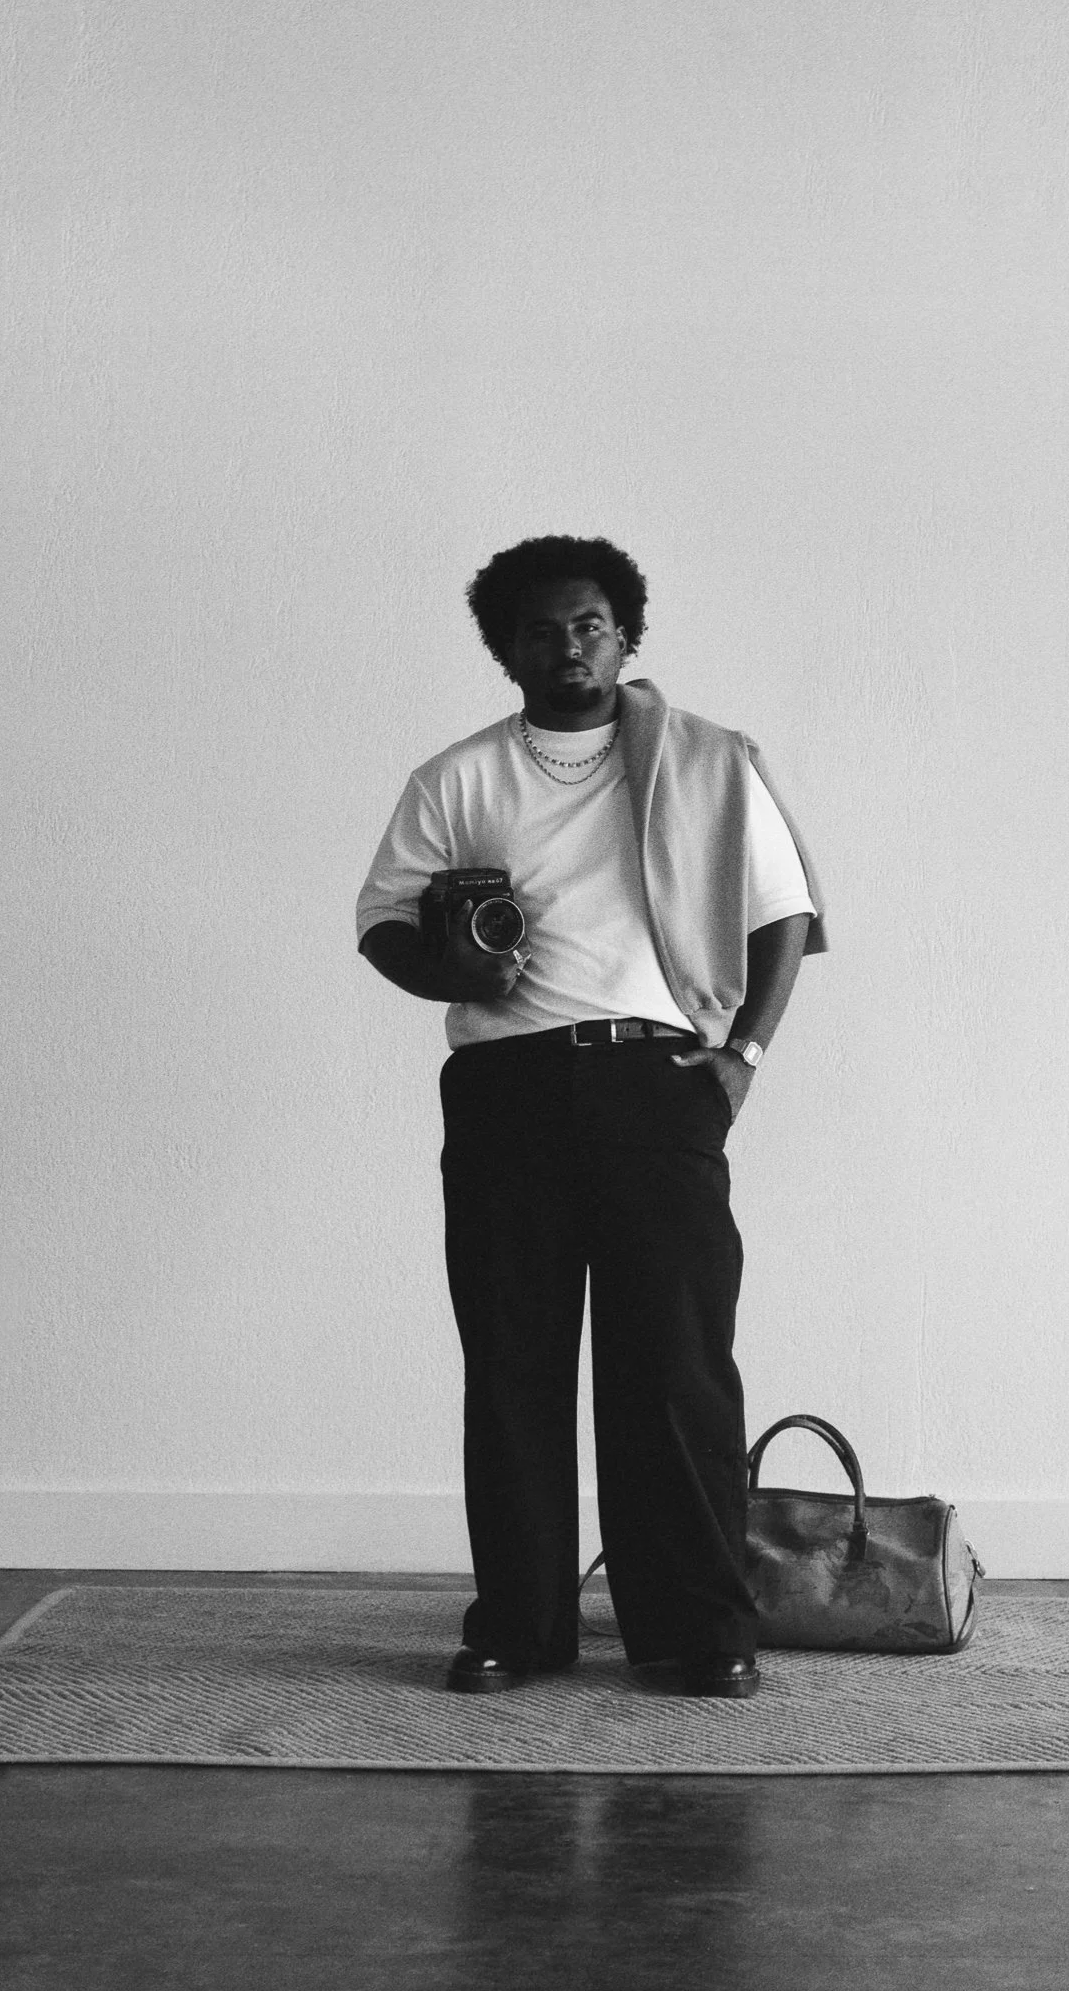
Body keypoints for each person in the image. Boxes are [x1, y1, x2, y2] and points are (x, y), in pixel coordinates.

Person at [356, 535, 826, 1699]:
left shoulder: (706, 762)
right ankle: (519, 1626)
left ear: (626, 636)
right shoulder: (459, 778)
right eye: (542, 630)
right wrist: (455, 970)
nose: (568, 646)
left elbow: (782, 913)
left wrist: (741, 1056)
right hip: (506, 1089)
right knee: (512, 1364)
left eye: (590, 625)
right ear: (505, 648)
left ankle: (698, 1628)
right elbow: (381, 922)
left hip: (658, 1082)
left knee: (676, 1363)